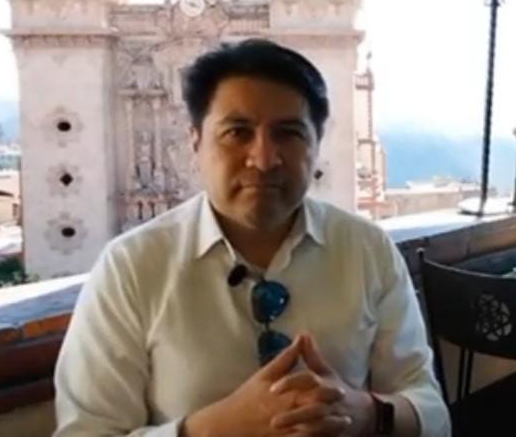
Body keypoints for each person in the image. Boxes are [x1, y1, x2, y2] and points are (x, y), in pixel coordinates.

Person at [54, 39, 450, 437]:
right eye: (237, 132)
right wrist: (211, 429)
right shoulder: (132, 266)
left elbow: (432, 412)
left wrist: (367, 413)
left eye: (288, 133)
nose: (263, 160)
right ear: (195, 141)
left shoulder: (366, 249)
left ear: (317, 144)